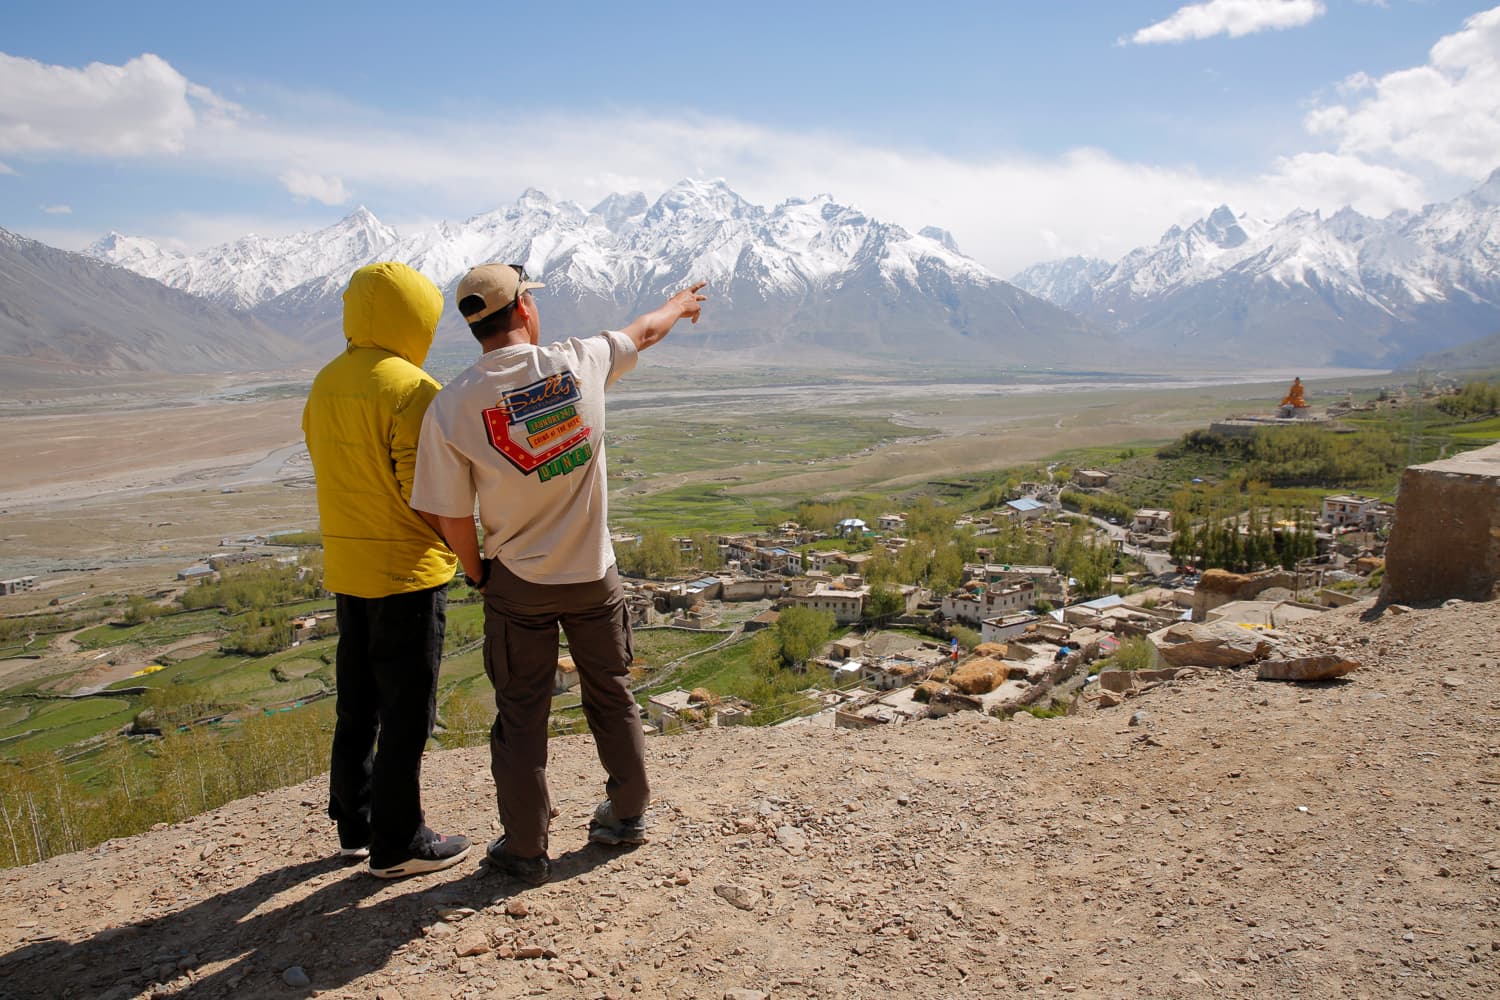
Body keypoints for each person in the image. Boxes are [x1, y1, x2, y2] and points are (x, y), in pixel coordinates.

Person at [411, 263, 706, 885]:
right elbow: (643, 333)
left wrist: (477, 574)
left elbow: (448, 513)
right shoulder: (579, 362)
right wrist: (678, 305)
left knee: (521, 715)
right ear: (524, 310)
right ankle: (626, 816)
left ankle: (525, 847)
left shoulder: (453, 403)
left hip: (518, 582)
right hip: (594, 575)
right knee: (612, 694)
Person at [302, 261, 471, 879]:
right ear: (417, 316)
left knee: (358, 703)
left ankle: (356, 823)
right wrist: (465, 552)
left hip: (349, 570)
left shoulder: (325, 383)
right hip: (406, 575)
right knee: (407, 712)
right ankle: (398, 843)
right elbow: (429, 496)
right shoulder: (413, 390)